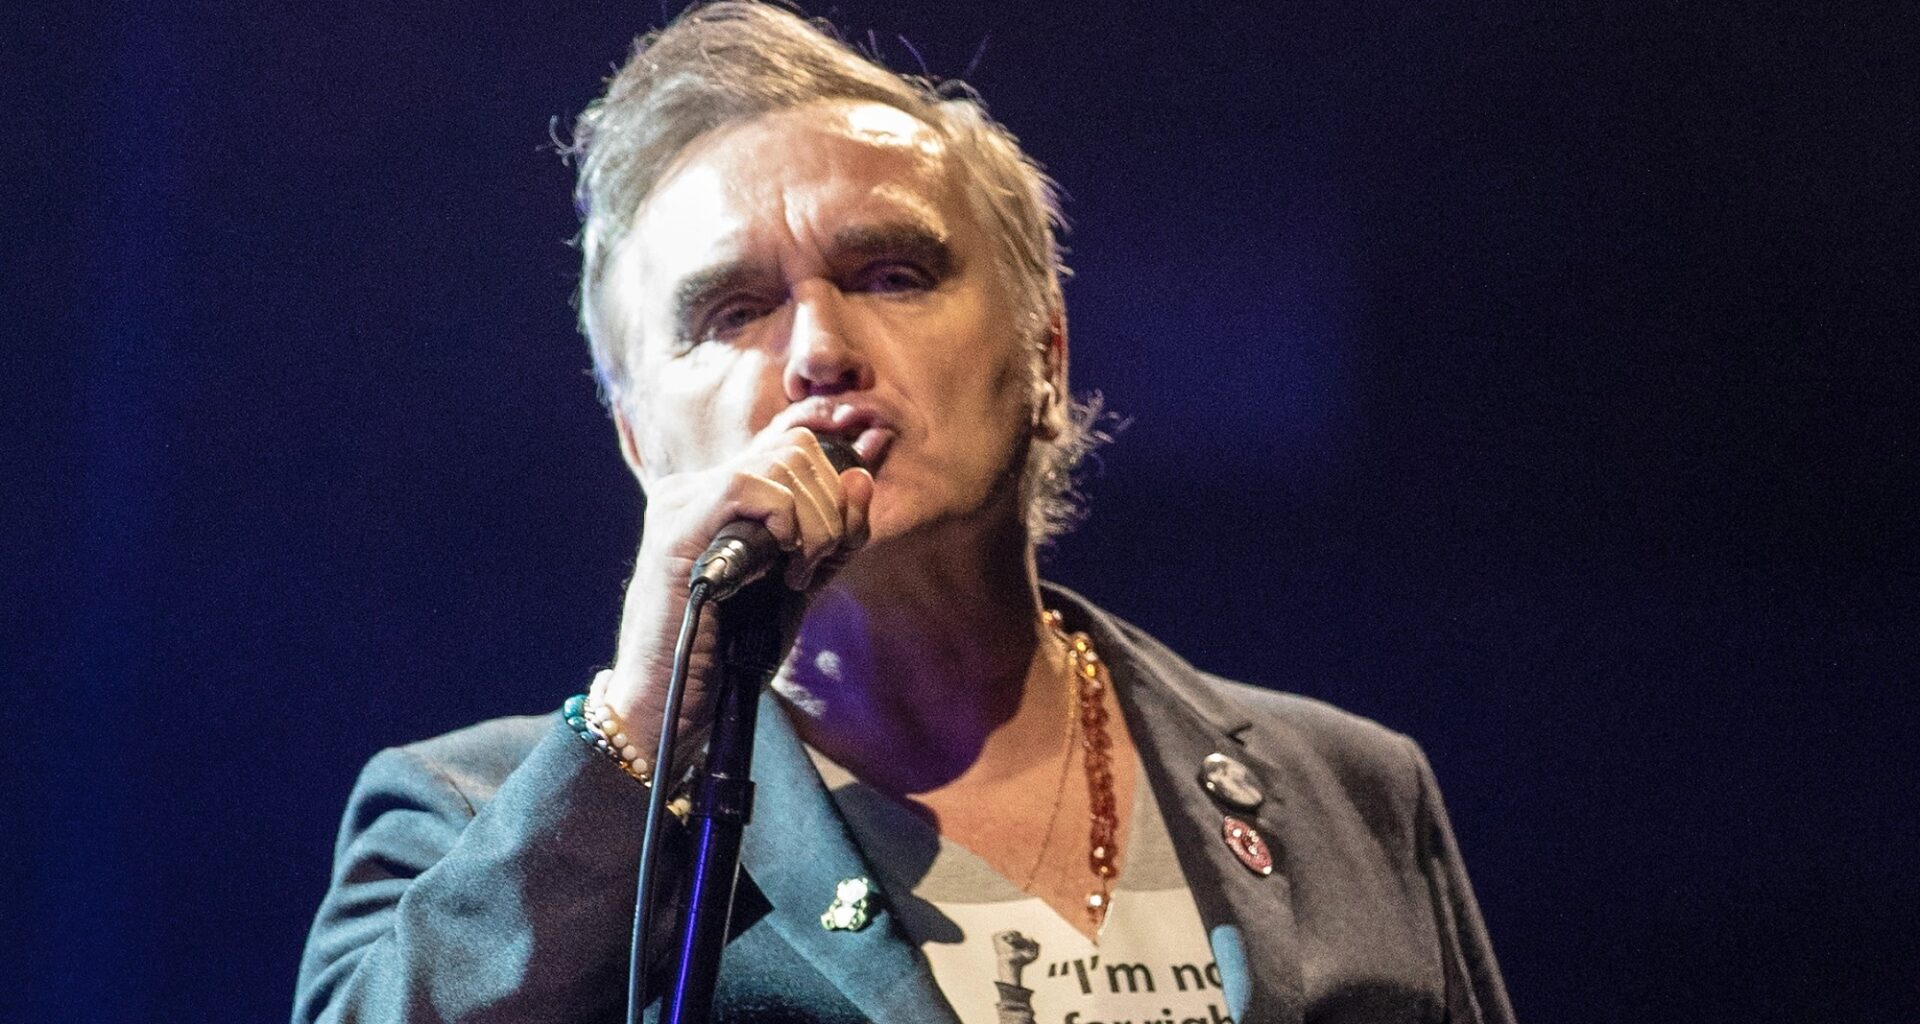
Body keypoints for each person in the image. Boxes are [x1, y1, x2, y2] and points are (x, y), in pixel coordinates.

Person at [293, 4, 1515, 1023]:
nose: (820, 351)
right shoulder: (462, 817)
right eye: (733, 312)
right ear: (637, 438)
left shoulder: (1348, 794)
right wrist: (644, 720)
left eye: (892, 274)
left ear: (1046, 355)